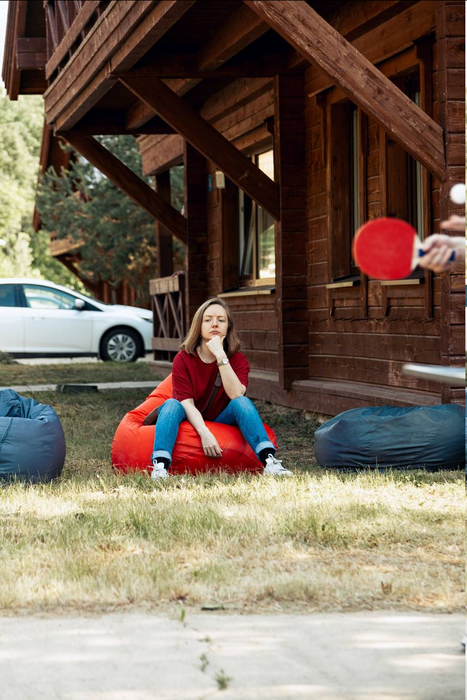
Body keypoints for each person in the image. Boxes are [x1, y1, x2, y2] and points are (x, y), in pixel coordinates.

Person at [149, 297, 292, 479]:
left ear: (228, 327)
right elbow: (186, 403)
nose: (214, 324)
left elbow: (236, 394)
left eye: (221, 320)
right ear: (199, 326)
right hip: (189, 419)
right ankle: (160, 467)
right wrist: (204, 433)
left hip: (221, 419)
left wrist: (220, 355)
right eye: (208, 320)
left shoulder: (238, 360)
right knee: (171, 404)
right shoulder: (183, 359)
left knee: (241, 402)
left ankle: (269, 462)